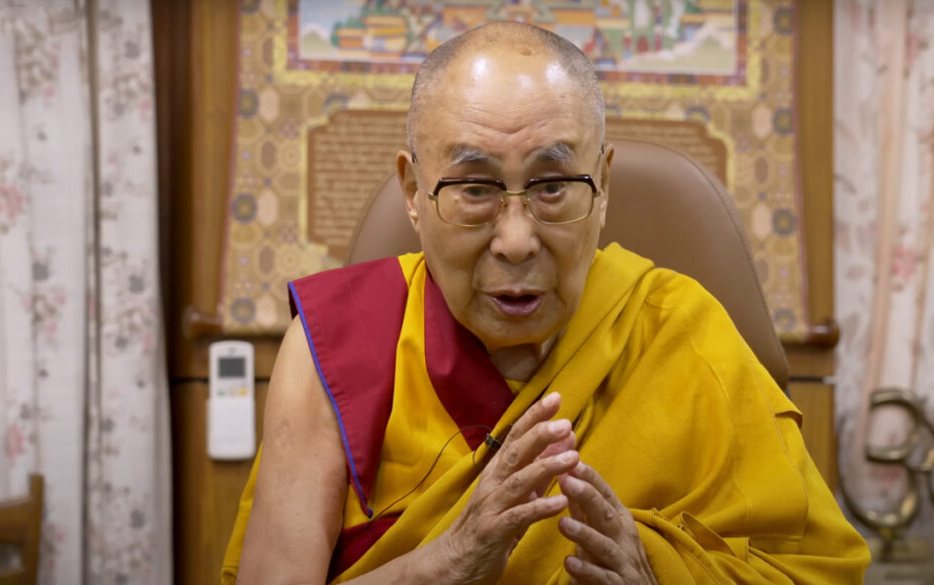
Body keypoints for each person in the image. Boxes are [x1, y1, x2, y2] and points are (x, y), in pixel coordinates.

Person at [222, 22, 870, 585]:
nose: (515, 239)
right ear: (413, 192)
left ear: (604, 184)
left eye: (554, 185)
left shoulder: (686, 333)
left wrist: (654, 571)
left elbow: (817, 571)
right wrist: (445, 562)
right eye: (474, 187)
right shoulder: (337, 348)